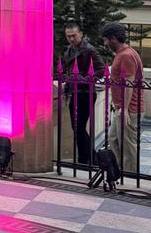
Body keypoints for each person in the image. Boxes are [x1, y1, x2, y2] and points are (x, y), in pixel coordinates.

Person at [101, 22, 145, 173]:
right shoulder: (125, 53)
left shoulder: (126, 55)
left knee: (128, 148)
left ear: (113, 38)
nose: (105, 43)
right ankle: (119, 173)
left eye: (106, 39)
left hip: (129, 110)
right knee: (113, 140)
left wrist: (125, 109)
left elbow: (129, 83)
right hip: (122, 109)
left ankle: (131, 180)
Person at [61, 22, 105, 165]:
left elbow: (101, 70)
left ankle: (87, 159)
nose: (71, 39)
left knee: (78, 128)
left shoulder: (89, 50)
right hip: (75, 93)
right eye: (68, 36)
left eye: (74, 35)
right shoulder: (69, 50)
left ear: (81, 34)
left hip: (86, 93)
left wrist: (83, 79)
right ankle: (88, 159)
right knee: (77, 128)